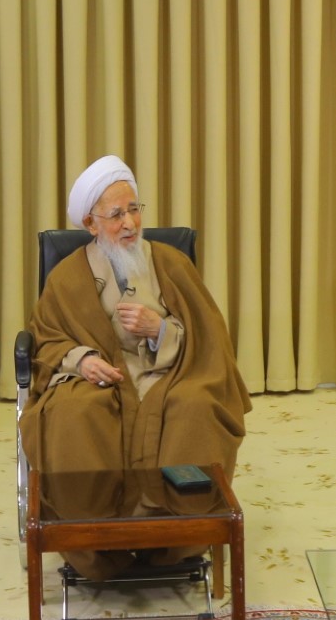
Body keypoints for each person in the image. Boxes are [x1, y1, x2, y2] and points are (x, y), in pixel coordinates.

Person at [20, 156, 251, 577]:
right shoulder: (67, 277)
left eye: (134, 209)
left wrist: (160, 330)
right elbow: (46, 339)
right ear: (91, 224)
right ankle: (92, 541)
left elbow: (209, 334)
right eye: (116, 215)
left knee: (196, 408)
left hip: (171, 374)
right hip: (100, 380)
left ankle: (178, 539)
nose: (129, 223)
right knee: (73, 413)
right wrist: (83, 360)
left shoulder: (171, 263)